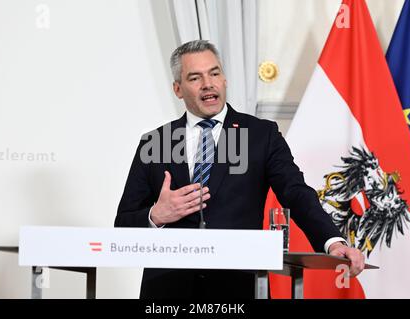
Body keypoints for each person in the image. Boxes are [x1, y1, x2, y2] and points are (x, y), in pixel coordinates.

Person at [115, 40, 365, 299]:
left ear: (224, 79)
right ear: (178, 89)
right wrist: (156, 215)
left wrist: (332, 241)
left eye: (214, 73)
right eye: (195, 77)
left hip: (239, 287)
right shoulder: (155, 142)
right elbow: (123, 224)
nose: (208, 84)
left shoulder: (261, 135)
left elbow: (296, 193)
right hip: (169, 292)